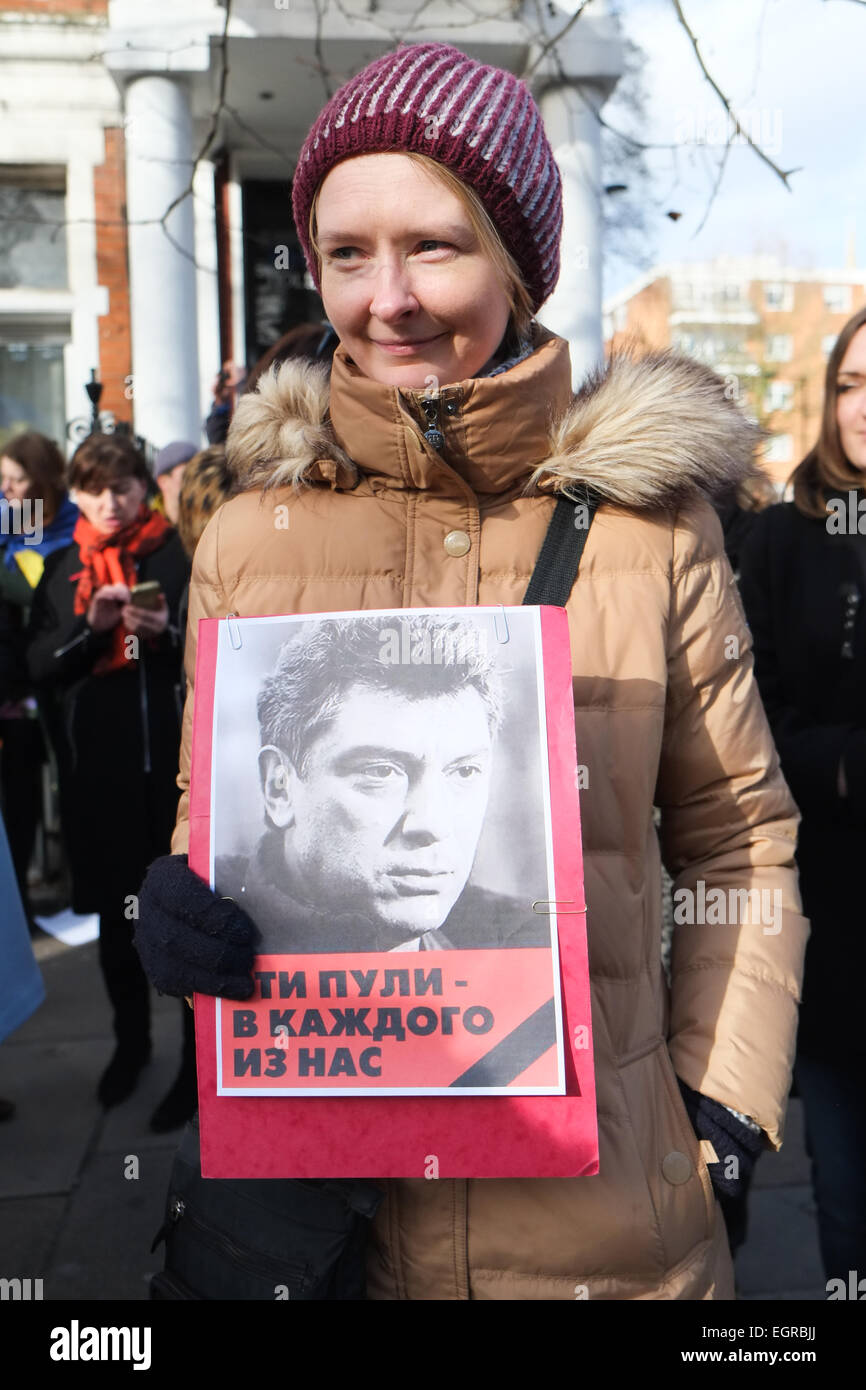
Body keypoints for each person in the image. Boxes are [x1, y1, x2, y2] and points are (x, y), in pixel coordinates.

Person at [135, 41, 808, 1299]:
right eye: (346, 254)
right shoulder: (246, 539)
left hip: (602, 1233)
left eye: (433, 247)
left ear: (516, 262)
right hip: (326, 1225)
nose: (384, 298)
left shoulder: (648, 536)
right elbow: (211, 822)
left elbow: (737, 844)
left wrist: (718, 1108)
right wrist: (182, 913)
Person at [738, 304, 866, 1287]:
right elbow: (745, 725)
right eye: (847, 384)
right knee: (845, 1199)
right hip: (832, 926)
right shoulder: (784, 537)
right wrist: (839, 764)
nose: (859, 408)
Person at [26, 433, 196, 1132]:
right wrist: (94, 633)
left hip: (173, 779)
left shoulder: (175, 551)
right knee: (115, 926)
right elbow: (41, 668)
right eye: (95, 490)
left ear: (143, 487)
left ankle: (195, 1068)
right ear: (74, 496)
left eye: (123, 486)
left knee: (185, 922)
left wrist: (168, 631)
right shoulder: (66, 563)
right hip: (98, 779)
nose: (111, 502)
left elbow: (218, 645)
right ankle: (130, 1048)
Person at [216, 613, 544, 954]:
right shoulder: (200, 918)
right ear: (279, 788)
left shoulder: (530, 952)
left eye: (464, 772)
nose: (432, 824)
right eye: (381, 772)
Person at [0, 432, 79, 913]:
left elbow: (44, 592)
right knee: (22, 789)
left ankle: (74, 877)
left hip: (64, 666)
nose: (5, 489)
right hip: (17, 673)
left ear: (42, 480)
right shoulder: (18, 517)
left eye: (15, 478)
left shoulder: (70, 521)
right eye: (2, 479)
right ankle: (24, 892)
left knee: (69, 775)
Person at [152, 441, 198, 525]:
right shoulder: (153, 532)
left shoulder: (206, 520)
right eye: (186, 475)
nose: (196, 480)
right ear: (163, 482)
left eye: (198, 473)